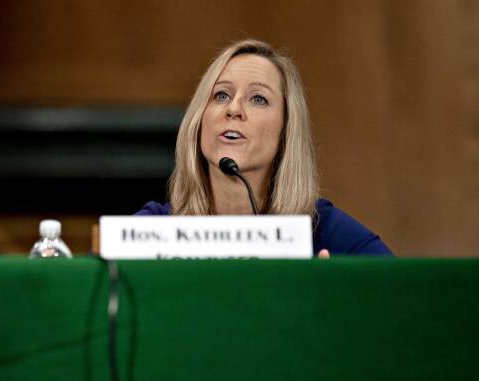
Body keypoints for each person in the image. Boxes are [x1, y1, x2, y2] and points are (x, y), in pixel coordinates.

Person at [136, 39, 392, 256]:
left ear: (285, 132)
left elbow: (412, 301)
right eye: (221, 95)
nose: (233, 109)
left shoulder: (323, 233)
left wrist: (330, 303)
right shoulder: (157, 229)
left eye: (258, 99)